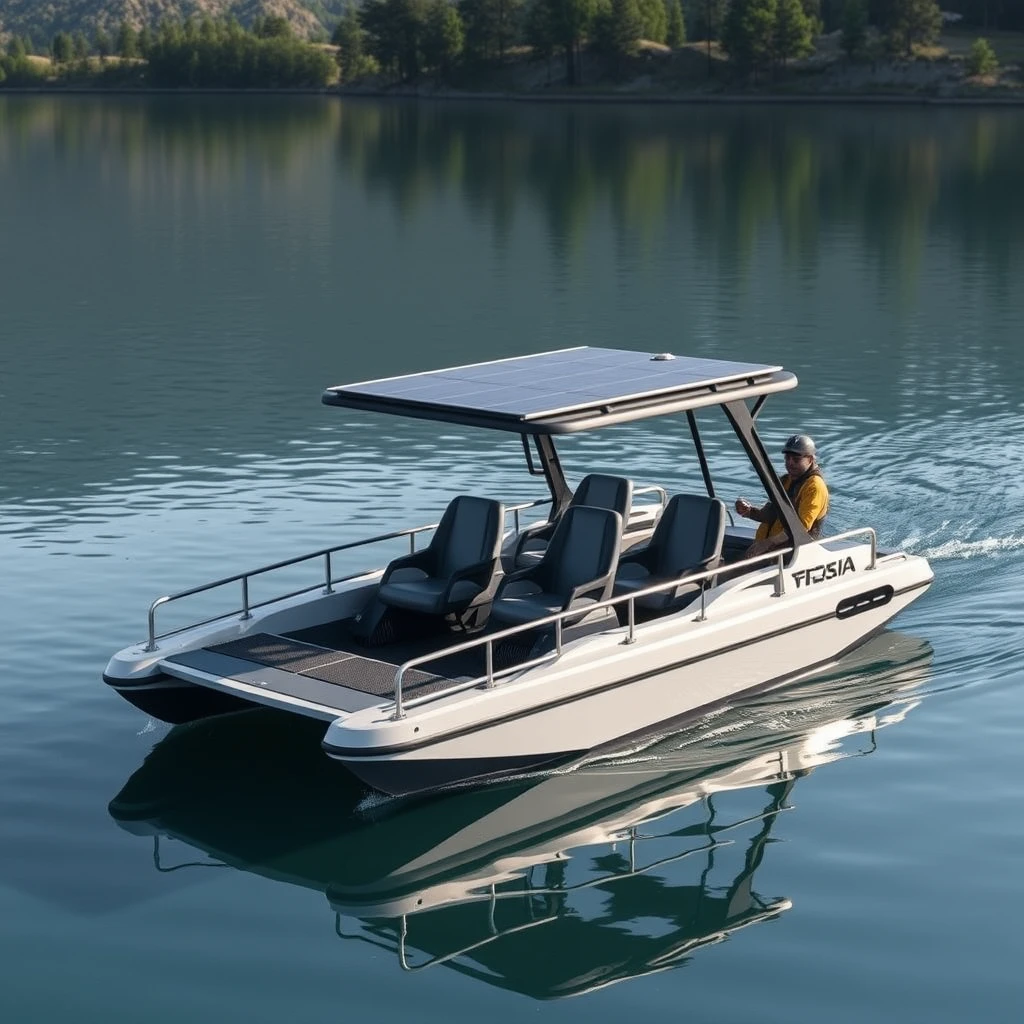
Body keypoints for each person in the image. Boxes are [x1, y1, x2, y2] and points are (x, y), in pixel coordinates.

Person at [734, 434, 829, 557]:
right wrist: (749, 512)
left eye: (796, 459)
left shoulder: (815, 487)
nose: (790, 463)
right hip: (768, 551)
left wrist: (767, 543)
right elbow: (770, 514)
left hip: (792, 556)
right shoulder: (785, 481)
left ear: (810, 460)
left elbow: (800, 529)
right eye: (787, 458)